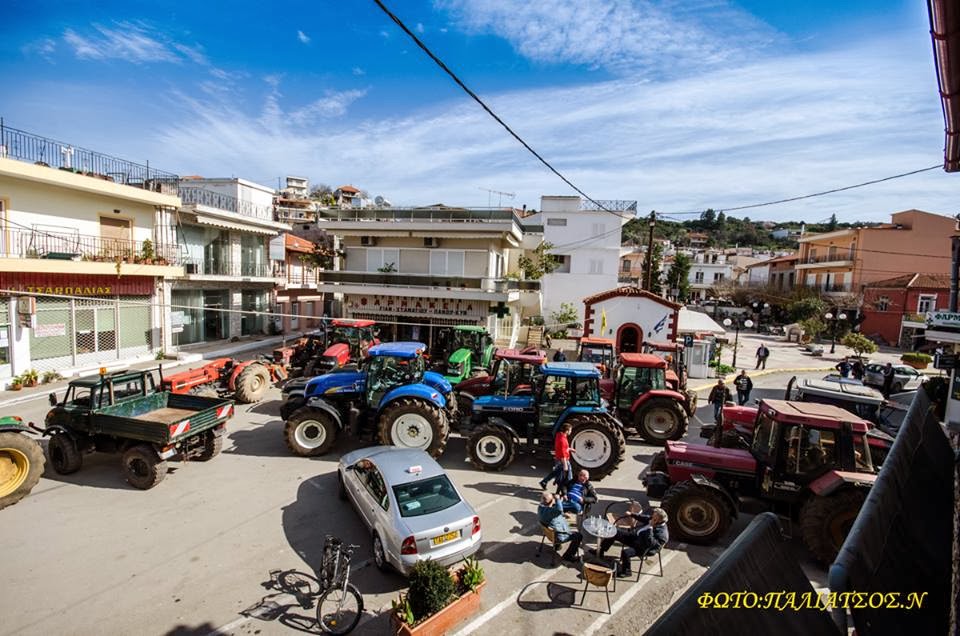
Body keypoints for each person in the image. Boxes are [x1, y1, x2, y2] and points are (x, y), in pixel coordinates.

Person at [596, 507, 669, 578]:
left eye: (654, 518)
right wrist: (632, 514)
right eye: (653, 516)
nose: (651, 518)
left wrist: (650, 529)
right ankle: (601, 551)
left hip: (644, 547)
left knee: (626, 553)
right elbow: (644, 518)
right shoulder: (653, 519)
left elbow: (650, 543)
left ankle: (627, 572)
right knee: (614, 532)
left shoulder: (662, 534)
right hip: (636, 537)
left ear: (659, 520)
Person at [537, 491, 583, 562]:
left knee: (557, 524)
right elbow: (560, 510)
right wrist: (558, 500)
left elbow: (555, 511)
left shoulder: (540, 508)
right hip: (559, 536)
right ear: (552, 501)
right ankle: (568, 556)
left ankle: (557, 546)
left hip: (549, 533)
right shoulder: (552, 511)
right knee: (578, 536)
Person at [540, 422, 574, 490]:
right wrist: (565, 465)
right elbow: (562, 453)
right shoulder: (563, 440)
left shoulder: (559, 435)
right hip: (563, 460)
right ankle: (567, 489)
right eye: (570, 430)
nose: (571, 432)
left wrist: (569, 449)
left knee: (556, 472)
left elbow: (562, 448)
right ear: (567, 431)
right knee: (568, 475)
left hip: (558, 458)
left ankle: (544, 481)